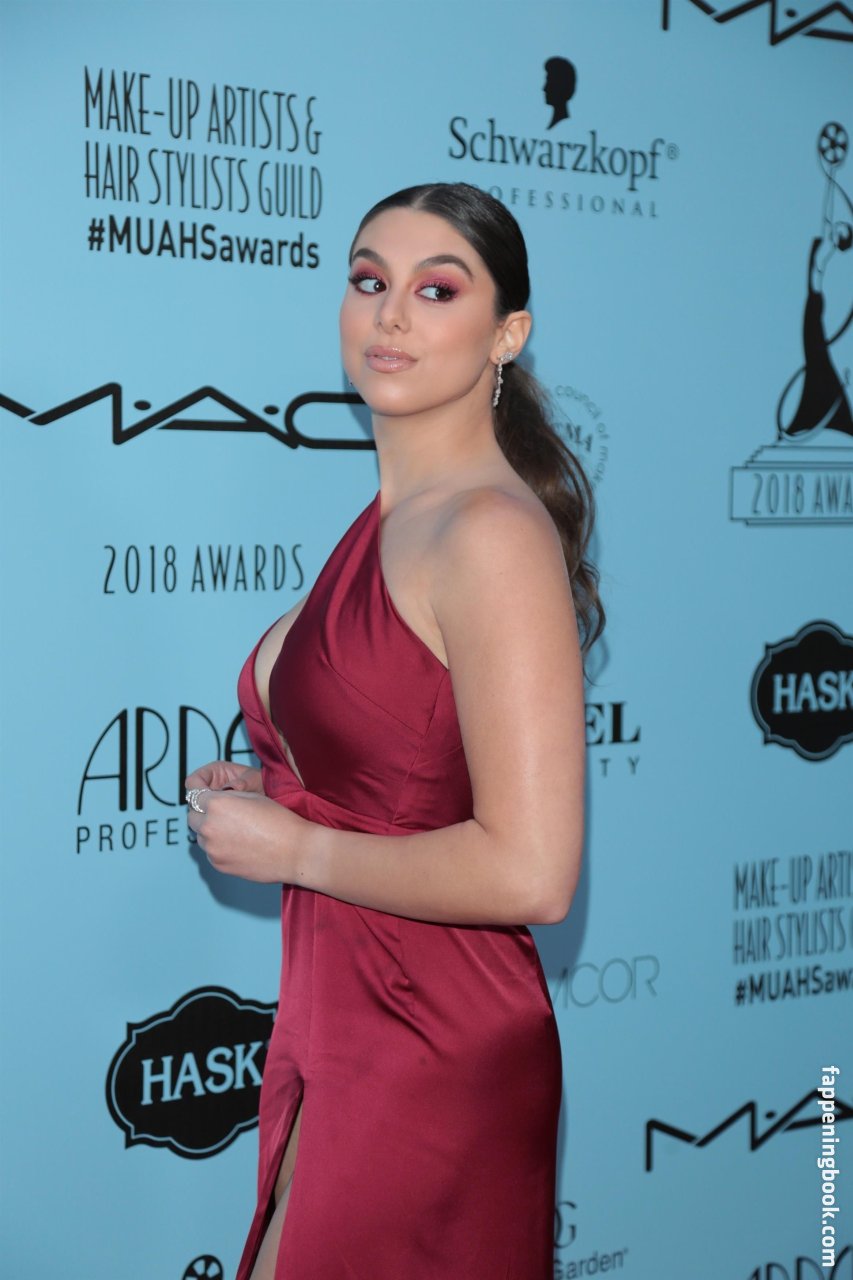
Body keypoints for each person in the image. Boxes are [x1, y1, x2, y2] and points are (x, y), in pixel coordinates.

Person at [185, 180, 605, 1280]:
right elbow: (407, 774)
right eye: (369, 280)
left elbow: (533, 871)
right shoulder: (390, 517)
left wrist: (300, 849)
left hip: (430, 1045)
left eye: (437, 289)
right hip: (345, 1019)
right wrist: (285, 793)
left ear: (507, 332)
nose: (390, 314)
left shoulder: (488, 533)